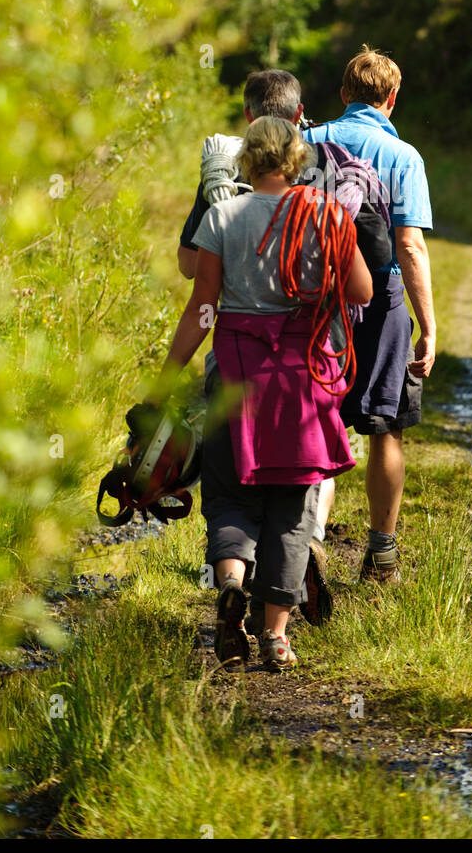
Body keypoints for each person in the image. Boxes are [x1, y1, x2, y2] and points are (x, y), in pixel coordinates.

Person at [153, 116, 372, 670]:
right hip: (303, 379)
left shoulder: (222, 216)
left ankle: (230, 583)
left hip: (235, 377)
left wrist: (168, 373)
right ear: (297, 160)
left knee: (229, 494)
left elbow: (202, 307)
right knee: (293, 507)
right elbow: (361, 290)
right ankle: (275, 636)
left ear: (245, 162)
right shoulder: (322, 215)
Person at [304, 46, 435, 583]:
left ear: (342, 95)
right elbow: (409, 245)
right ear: (392, 98)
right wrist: (427, 325)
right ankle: (381, 553)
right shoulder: (403, 156)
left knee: (318, 422)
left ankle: (307, 539)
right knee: (386, 425)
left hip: (313, 300)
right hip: (380, 299)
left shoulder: (304, 143)